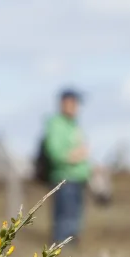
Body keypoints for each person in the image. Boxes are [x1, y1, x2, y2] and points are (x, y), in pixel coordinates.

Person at [43, 89, 90, 245]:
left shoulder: (73, 125)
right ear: (65, 103)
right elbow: (54, 152)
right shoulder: (56, 124)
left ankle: (70, 251)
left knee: (74, 221)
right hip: (64, 180)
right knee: (65, 221)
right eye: (74, 103)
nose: (76, 107)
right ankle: (62, 254)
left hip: (77, 179)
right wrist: (74, 155)